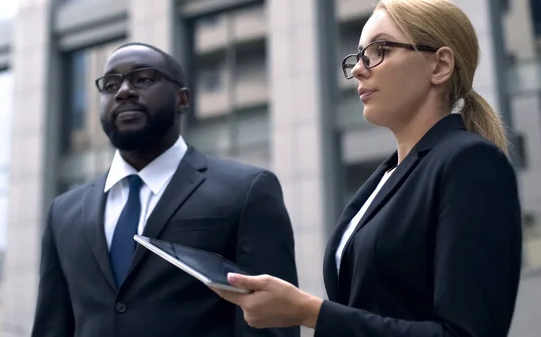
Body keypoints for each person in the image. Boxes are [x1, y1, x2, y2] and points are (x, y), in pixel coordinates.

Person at [212, 1, 523, 336]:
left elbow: (466, 333)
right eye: (358, 56)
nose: (359, 69)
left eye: (380, 50)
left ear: (440, 65)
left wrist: (309, 311)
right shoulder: (384, 179)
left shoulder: (470, 162)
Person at [31, 42, 300, 337]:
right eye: (110, 85)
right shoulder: (64, 212)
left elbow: (273, 323)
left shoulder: (247, 191)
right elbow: (52, 326)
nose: (123, 91)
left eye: (143, 79)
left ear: (182, 100)